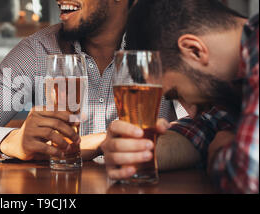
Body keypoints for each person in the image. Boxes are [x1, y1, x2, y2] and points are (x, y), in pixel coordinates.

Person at [0, 0, 194, 165]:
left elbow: (199, 131)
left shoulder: (164, 49)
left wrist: (102, 142)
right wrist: (13, 141)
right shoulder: (37, 51)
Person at [102, 0, 258, 193]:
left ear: (194, 50)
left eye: (176, 93)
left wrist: (219, 153)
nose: (190, 111)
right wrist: (131, 151)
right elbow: (206, 128)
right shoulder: (234, 90)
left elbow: (246, 178)